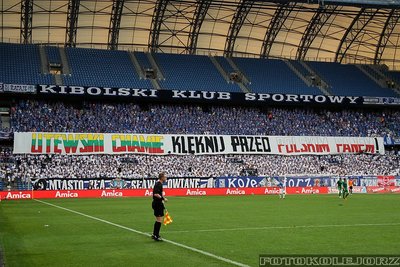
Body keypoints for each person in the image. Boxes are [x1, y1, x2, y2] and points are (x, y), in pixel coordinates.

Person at [151, 172, 168, 241]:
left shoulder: (159, 184)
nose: (166, 178)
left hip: (157, 203)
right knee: (159, 220)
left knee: (158, 219)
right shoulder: (159, 184)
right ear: (162, 178)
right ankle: (156, 235)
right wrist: (163, 199)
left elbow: (158, 194)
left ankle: (154, 234)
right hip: (157, 203)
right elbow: (156, 194)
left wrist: (163, 198)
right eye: (165, 177)